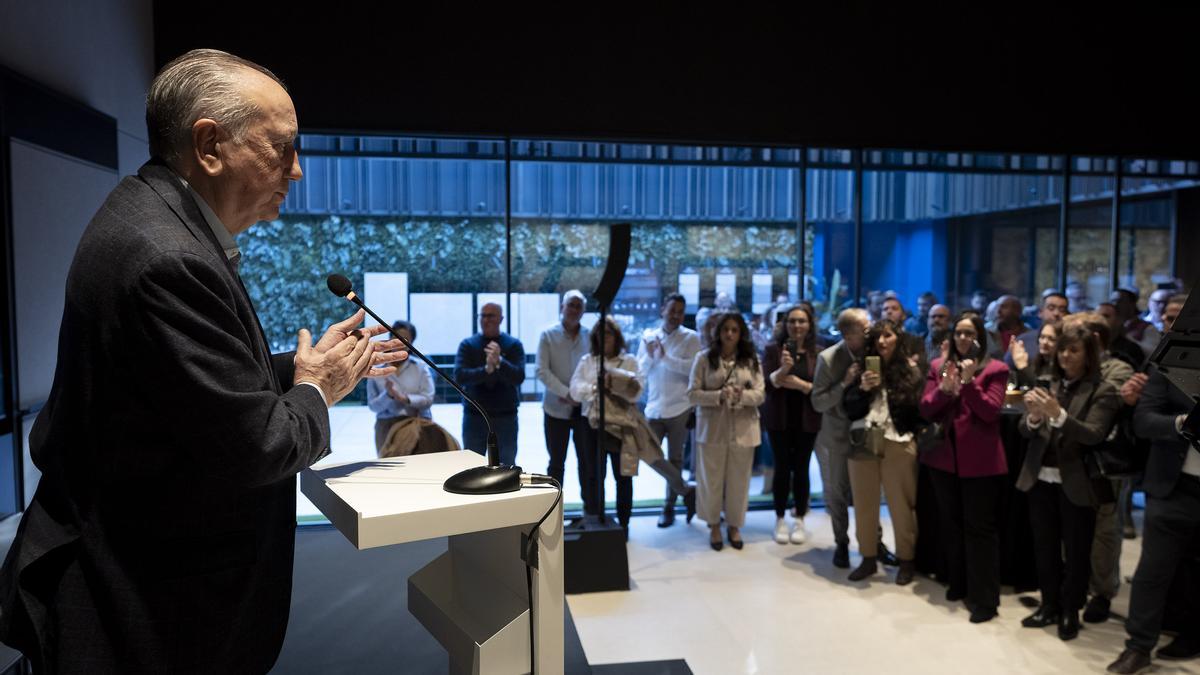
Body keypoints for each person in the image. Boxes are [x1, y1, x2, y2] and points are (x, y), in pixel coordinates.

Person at [0, 49, 408, 673]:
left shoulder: (155, 219)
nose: (296, 172)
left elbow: (177, 388)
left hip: (138, 581)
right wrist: (317, 390)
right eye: (282, 148)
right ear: (211, 145)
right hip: (145, 605)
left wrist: (294, 370)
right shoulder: (169, 257)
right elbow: (260, 447)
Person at [1017, 323, 1120, 642]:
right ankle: (1048, 604)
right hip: (1040, 476)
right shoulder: (1048, 381)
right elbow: (1025, 428)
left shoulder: (1102, 390)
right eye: (1062, 349)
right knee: (1044, 546)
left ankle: (1069, 611)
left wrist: (1058, 415)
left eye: (1073, 350)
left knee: (1076, 552)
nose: (1065, 355)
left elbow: (1093, 434)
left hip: (1077, 481)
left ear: (1088, 355)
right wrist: (1033, 417)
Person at [1106, 367, 1200, 673]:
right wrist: (1183, 423)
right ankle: (1138, 646)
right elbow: (1144, 420)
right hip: (1173, 486)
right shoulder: (1175, 365)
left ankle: (1190, 635)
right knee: (1152, 571)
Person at [919, 312, 1009, 622]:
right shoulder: (940, 366)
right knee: (951, 525)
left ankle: (985, 599)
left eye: (969, 333)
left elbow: (990, 411)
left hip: (980, 462)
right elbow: (926, 408)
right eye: (958, 333)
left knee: (979, 530)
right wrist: (944, 389)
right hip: (943, 459)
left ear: (980, 337)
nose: (962, 338)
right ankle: (958, 583)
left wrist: (969, 384)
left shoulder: (996, 369)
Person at [570, 318, 696, 538]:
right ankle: (596, 521)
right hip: (591, 425)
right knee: (594, 476)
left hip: (622, 426)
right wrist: (595, 386)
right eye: (600, 333)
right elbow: (575, 390)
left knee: (623, 477)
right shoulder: (588, 361)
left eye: (609, 333)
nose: (604, 337)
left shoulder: (628, 361)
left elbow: (637, 391)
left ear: (616, 337)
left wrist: (613, 383)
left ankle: (624, 525)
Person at [842, 319, 925, 584]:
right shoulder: (860, 369)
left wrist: (896, 385)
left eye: (887, 336)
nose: (882, 341)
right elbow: (848, 409)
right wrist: (863, 389)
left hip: (898, 442)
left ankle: (906, 560)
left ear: (897, 338)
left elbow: (917, 411)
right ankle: (868, 558)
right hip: (864, 439)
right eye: (877, 337)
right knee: (864, 504)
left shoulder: (910, 371)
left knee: (902, 504)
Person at [688, 312, 765, 551]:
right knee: (711, 480)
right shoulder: (703, 359)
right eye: (725, 329)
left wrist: (743, 395)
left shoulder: (751, 360)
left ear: (741, 333)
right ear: (718, 332)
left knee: (739, 481)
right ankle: (713, 525)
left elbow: (761, 394)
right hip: (712, 429)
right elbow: (692, 394)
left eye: (734, 330)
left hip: (743, 428)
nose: (730, 334)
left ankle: (734, 525)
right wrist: (717, 396)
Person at [811, 308, 869, 568]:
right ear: (848, 334)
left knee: (869, 491)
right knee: (837, 492)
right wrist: (845, 383)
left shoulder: (874, 353)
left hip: (868, 433)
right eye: (864, 329)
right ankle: (841, 543)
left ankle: (872, 545)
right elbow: (818, 402)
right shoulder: (829, 358)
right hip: (837, 435)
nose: (870, 333)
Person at [639, 293, 703, 526]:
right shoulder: (649, 336)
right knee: (646, 453)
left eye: (680, 311)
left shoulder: (691, 338)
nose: (676, 315)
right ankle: (687, 490)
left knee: (675, 458)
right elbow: (640, 371)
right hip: (654, 408)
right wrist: (649, 356)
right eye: (672, 310)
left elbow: (693, 370)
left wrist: (665, 358)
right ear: (662, 310)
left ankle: (669, 507)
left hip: (680, 408)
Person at [762, 305, 822, 544]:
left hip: (807, 418)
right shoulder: (772, 350)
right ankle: (779, 518)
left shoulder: (818, 353)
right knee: (782, 468)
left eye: (802, 321)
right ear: (785, 324)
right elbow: (768, 384)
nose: (797, 326)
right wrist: (784, 369)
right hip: (779, 418)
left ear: (810, 325)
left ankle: (799, 518)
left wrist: (798, 383)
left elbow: (822, 388)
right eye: (792, 321)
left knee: (802, 468)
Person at [535, 290, 594, 514]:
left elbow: (594, 369)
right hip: (555, 409)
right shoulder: (547, 335)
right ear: (562, 307)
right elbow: (541, 370)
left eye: (579, 306)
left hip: (584, 411)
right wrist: (566, 392)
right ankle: (552, 513)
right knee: (556, 463)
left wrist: (580, 395)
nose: (574, 310)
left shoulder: (591, 336)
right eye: (571, 305)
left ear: (584, 311)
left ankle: (590, 511)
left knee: (586, 463)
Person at [455, 302, 525, 465]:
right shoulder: (468, 344)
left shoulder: (513, 345)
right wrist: (486, 370)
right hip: (474, 416)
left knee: (506, 467)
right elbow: (460, 376)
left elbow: (519, 376)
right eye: (483, 315)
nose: (486, 320)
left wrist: (500, 361)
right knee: (472, 466)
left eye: (491, 316)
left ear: (501, 319)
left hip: (506, 417)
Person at [366, 320, 436, 454]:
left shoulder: (421, 367)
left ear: (411, 344)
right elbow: (373, 406)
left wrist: (404, 398)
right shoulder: (376, 369)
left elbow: (428, 399)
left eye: (405, 339)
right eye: (395, 337)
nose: (399, 342)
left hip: (418, 423)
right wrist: (388, 395)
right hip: (386, 426)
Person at [1007, 292, 1069, 371]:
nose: (1056, 313)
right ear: (1040, 312)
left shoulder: (1071, 343)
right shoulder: (1024, 341)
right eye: (1051, 308)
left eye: (1062, 309)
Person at [1010, 321, 1060, 389]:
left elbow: (1043, 391)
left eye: (1051, 339)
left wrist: (1023, 366)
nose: (1045, 342)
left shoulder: (1062, 367)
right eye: (1042, 337)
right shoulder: (1037, 362)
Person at [1111, 288, 1161, 356]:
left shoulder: (1148, 328)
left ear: (1132, 303)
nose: (1115, 305)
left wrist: (1126, 337)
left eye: (1119, 301)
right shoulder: (1112, 327)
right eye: (1112, 301)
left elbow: (1152, 353)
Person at [1097, 302, 1147, 369]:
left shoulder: (1132, 350)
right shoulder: (1088, 344)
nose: (1099, 320)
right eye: (1096, 316)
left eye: (1106, 316)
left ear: (1118, 320)